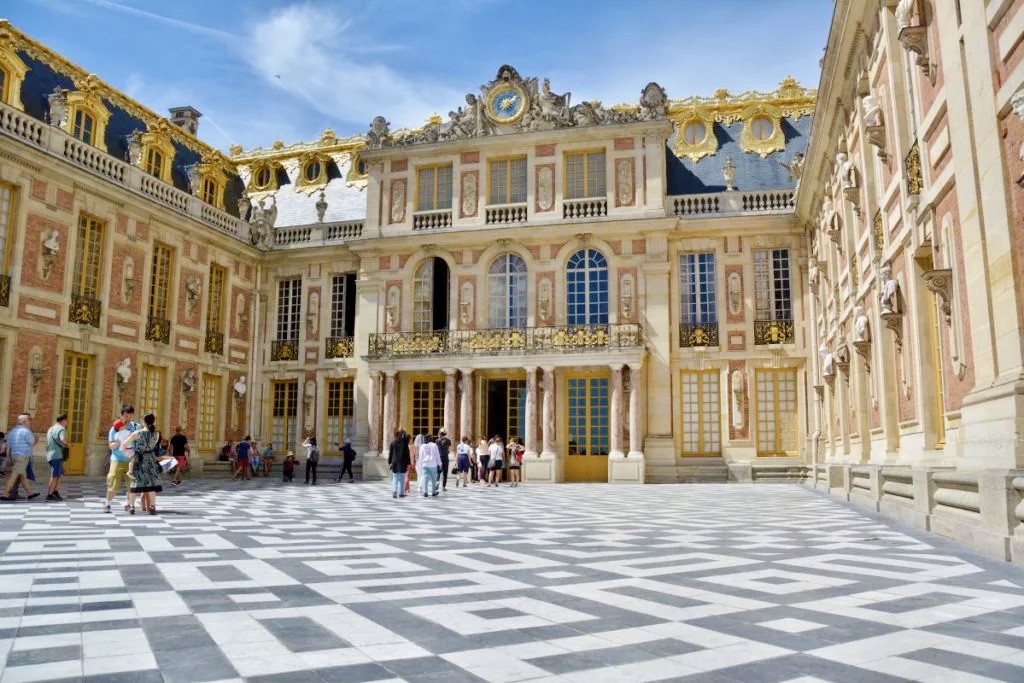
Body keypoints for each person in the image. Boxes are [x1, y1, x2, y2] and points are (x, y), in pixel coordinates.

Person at [107, 413, 142, 513]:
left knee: (131, 484)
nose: (128, 418)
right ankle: (108, 504)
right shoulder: (115, 429)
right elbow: (111, 446)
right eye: (126, 416)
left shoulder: (135, 427)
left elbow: (139, 440)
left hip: (130, 458)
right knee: (113, 480)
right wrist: (117, 443)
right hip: (117, 458)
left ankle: (129, 504)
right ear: (121, 415)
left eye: (130, 416)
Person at [130, 413, 163, 515]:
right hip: (150, 459)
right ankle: (152, 506)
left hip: (140, 459)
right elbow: (153, 445)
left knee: (135, 484)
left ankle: (132, 507)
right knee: (151, 485)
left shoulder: (137, 433)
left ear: (144, 422)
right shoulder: (156, 434)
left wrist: (127, 453)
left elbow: (124, 445)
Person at [0, 414, 39, 501]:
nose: (30, 422)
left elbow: (8, 444)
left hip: (14, 455)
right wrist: (36, 439)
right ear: (24, 422)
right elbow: (32, 443)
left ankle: (29, 493)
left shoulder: (13, 431)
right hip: (22, 456)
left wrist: (8, 457)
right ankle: (5, 493)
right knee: (14, 475)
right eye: (29, 420)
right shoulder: (26, 431)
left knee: (22, 476)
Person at [45, 413, 69, 501]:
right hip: (57, 455)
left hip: (50, 455)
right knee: (55, 475)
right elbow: (62, 439)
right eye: (66, 421)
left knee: (60, 474)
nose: (66, 423)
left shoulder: (50, 429)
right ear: (63, 420)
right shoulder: (61, 428)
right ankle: (50, 494)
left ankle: (55, 491)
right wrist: (67, 444)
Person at [387, 430, 410, 499]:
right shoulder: (404, 443)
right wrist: (408, 463)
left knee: (395, 478)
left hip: (394, 462)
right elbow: (407, 454)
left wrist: (389, 462)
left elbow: (390, 454)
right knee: (402, 478)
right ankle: (401, 493)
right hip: (403, 462)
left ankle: (394, 491)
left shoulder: (393, 443)